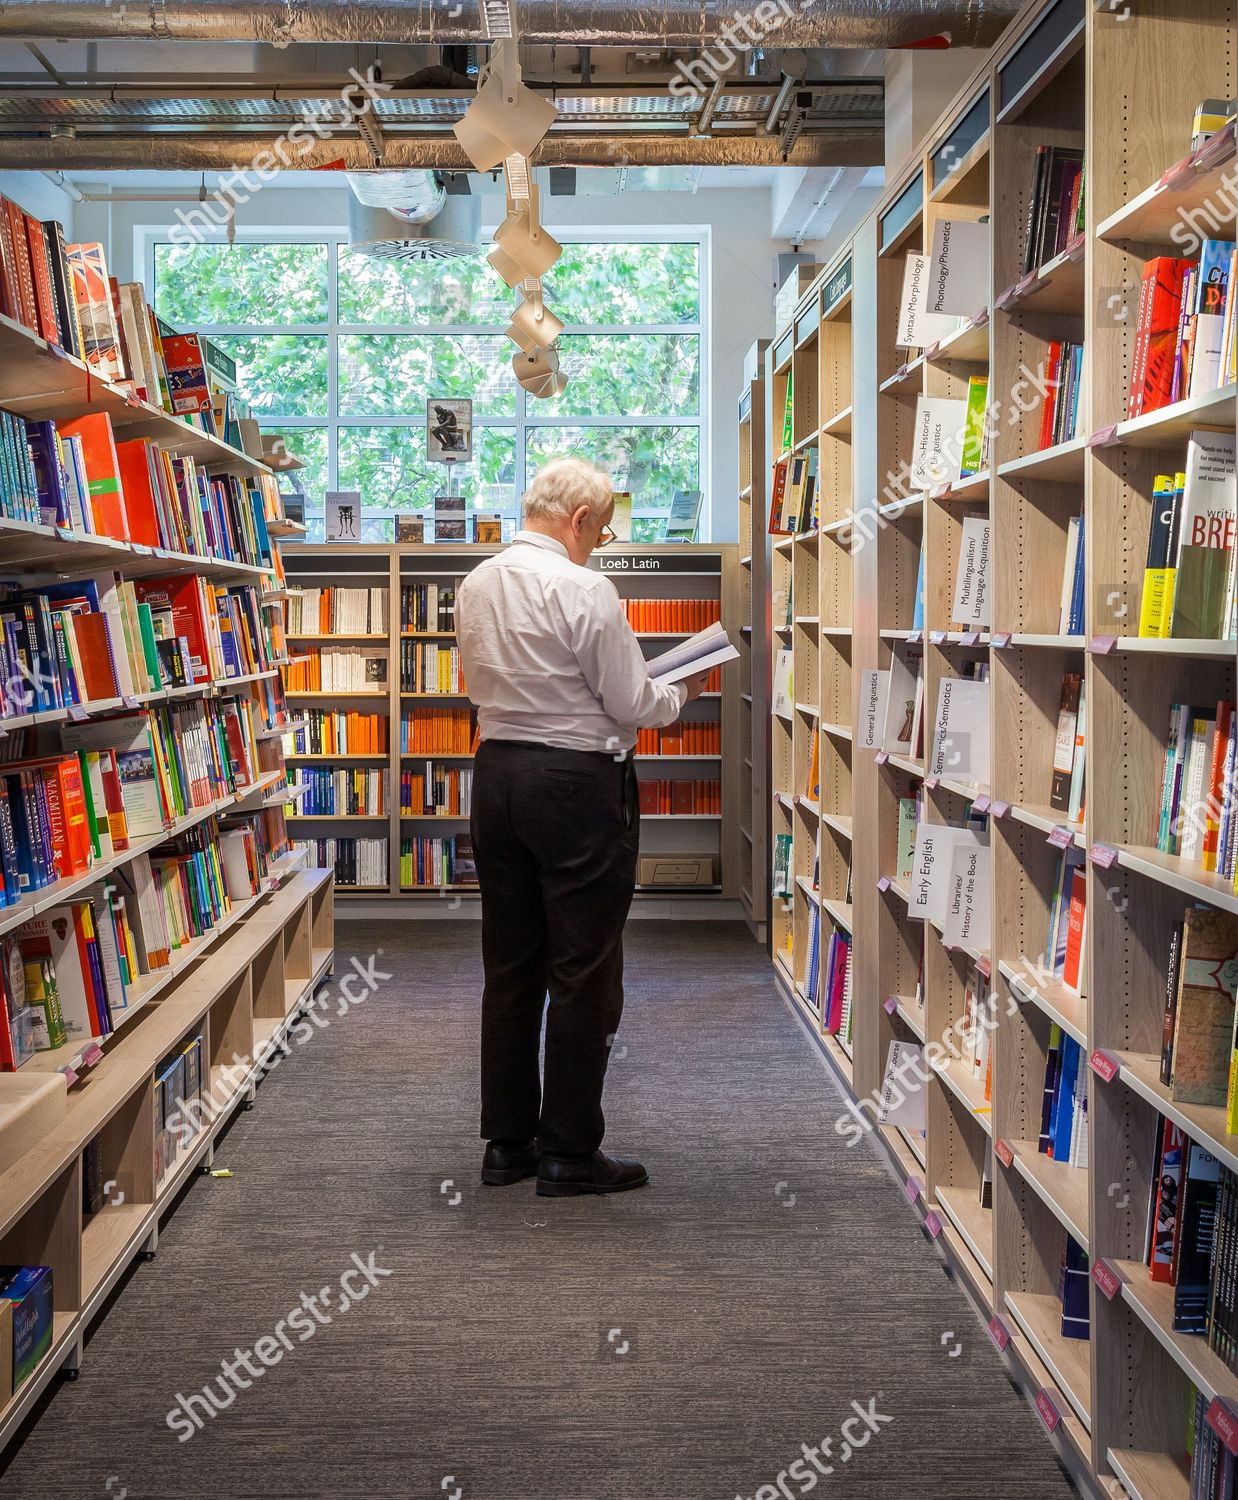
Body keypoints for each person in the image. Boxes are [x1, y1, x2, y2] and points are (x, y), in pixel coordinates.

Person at [454, 457, 710, 1197]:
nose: (598, 542)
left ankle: (506, 1144)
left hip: (497, 775)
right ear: (578, 521)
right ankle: (567, 1151)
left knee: (509, 964)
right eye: (599, 528)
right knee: (584, 968)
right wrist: (683, 688)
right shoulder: (584, 586)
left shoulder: (477, 582)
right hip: (574, 785)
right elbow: (631, 701)